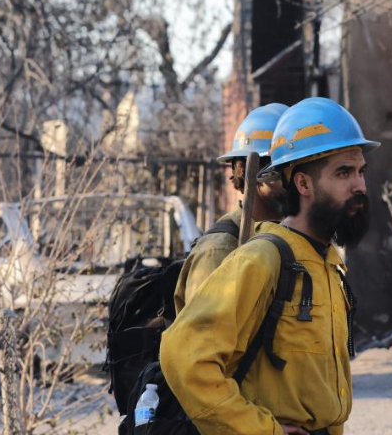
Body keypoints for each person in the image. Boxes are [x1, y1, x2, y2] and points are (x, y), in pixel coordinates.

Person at [160, 97, 380, 435]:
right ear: (303, 184)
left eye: (361, 171)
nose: (359, 186)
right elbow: (184, 358)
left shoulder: (326, 263)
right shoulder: (261, 259)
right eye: (343, 172)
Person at [173, 103, 289, 313]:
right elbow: (202, 341)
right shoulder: (219, 252)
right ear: (254, 173)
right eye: (285, 169)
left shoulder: (289, 240)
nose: (298, 182)